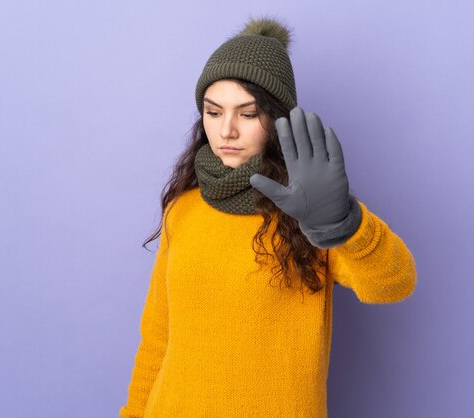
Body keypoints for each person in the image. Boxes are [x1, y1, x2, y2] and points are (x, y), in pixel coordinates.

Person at [119, 15, 416, 418]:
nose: (226, 130)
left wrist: (344, 222)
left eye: (247, 113)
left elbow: (394, 283)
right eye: (213, 111)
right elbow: (158, 338)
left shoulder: (309, 209)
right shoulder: (184, 207)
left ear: (277, 119)